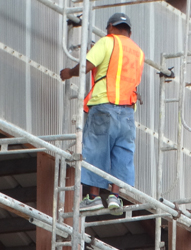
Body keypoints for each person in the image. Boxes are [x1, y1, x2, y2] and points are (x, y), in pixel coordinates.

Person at [60, 13, 144, 214]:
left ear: (110, 28)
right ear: (129, 32)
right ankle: (115, 196)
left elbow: (85, 66)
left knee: (96, 150)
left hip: (104, 106)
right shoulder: (138, 53)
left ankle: (93, 197)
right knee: (122, 154)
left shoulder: (107, 42)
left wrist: (69, 73)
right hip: (128, 113)